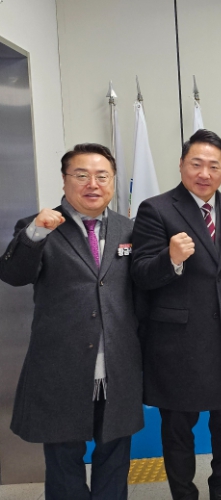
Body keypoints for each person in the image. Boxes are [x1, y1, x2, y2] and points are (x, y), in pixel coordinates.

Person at [0, 144, 143, 500]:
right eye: (81, 175)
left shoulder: (130, 229)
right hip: (60, 367)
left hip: (117, 366)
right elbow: (13, 275)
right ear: (65, 181)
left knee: (115, 457)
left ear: (112, 181)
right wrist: (35, 233)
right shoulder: (38, 226)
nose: (92, 184)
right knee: (64, 460)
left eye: (102, 176)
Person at [131, 129, 221, 500]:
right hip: (178, 342)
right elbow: (140, 274)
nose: (205, 173)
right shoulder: (156, 209)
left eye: (214, 166)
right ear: (181, 165)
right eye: (196, 164)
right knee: (178, 430)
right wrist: (170, 259)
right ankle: (184, 495)